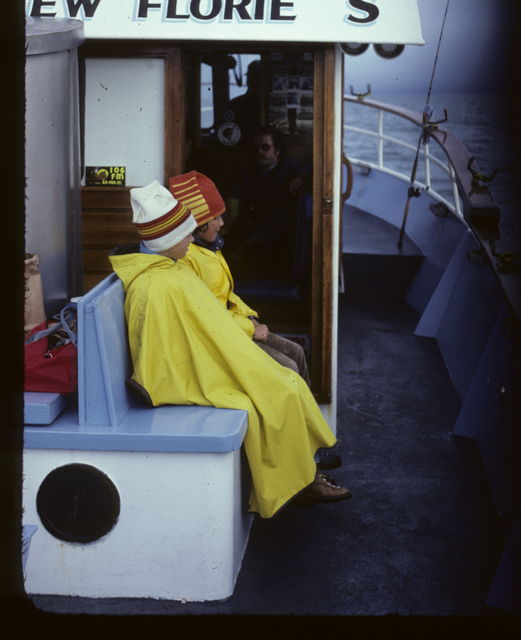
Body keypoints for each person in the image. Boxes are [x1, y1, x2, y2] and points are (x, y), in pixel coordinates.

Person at [109, 180, 351, 517]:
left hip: (208, 357)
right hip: (184, 378)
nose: (192, 238)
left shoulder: (171, 271)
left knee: (286, 381)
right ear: (166, 240)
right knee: (282, 388)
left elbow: (209, 324)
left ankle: (303, 471)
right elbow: (171, 355)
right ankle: (299, 482)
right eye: (185, 233)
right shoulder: (158, 284)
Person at [168, 170, 312, 389]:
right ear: (197, 222)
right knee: (288, 368)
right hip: (219, 339)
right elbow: (206, 312)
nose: (221, 223)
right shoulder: (187, 258)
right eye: (215, 218)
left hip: (234, 326)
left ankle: (305, 411)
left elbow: (227, 295)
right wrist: (250, 329)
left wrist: (251, 318)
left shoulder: (211, 249)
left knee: (297, 352)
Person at [225, 126, 312, 276]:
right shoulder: (245, 173)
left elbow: (310, 167)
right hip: (250, 227)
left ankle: (247, 247)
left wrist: (300, 176)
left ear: (277, 150)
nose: (259, 152)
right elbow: (235, 200)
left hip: (279, 237)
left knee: (286, 206)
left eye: (265, 147)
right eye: (256, 148)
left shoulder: (289, 166)